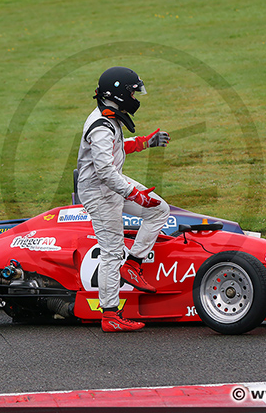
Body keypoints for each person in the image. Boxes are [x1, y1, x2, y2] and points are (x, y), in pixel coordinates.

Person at [77, 66, 171, 332]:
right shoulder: (100, 126)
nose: (135, 96)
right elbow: (105, 171)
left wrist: (144, 142)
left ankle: (133, 264)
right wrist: (135, 195)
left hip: (111, 185)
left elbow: (117, 147)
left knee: (159, 210)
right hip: (99, 192)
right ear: (118, 94)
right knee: (110, 251)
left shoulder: (109, 118)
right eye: (132, 91)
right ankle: (110, 316)